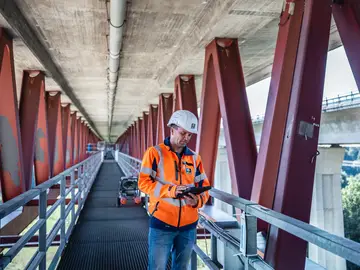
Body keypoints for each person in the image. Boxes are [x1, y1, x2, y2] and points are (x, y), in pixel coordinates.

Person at [138, 110, 211, 270]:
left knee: (182, 267)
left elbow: (204, 188)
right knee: (157, 267)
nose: (186, 138)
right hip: (162, 223)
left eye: (190, 135)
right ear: (172, 129)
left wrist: (197, 200)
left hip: (189, 226)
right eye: (183, 133)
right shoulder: (154, 153)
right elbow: (143, 183)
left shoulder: (194, 158)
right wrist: (170, 190)